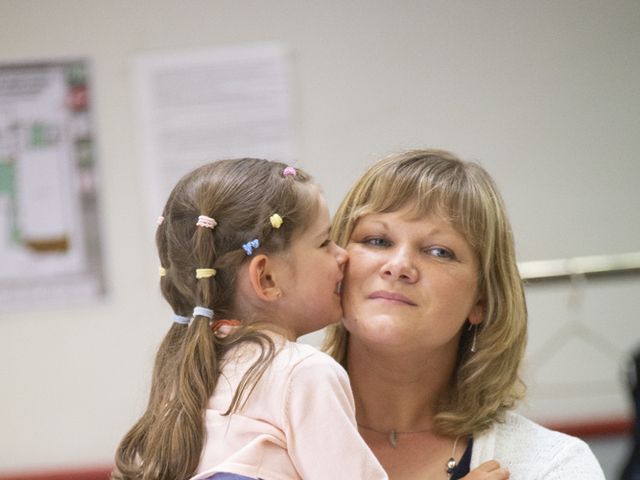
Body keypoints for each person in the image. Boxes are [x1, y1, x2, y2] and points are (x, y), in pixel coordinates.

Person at [323, 149, 606, 479]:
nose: (399, 266)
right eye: (377, 240)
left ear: (481, 301)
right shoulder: (261, 435)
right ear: (336, 267)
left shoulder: (552, 466)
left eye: (439, 252)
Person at [112, 158, 388, 480]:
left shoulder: (188, 375)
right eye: (325, 242)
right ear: (267, 278)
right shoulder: (304, 373)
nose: (343, 255)